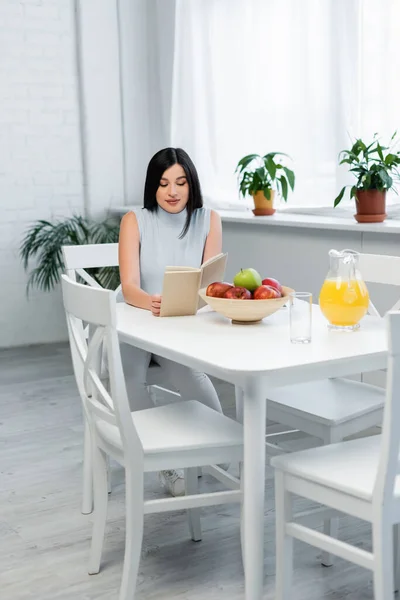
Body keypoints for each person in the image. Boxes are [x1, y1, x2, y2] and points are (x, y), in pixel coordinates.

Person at [118, 147, 224, 497]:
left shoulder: (209, 219)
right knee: (129, 379)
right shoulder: (135, 219)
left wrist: (187, 305)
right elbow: (130, 284)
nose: (173, 191)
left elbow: (209, 280)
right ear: (153, 187)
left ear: (191, 183)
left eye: (180, 182)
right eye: (163, 184)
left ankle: (216, 449)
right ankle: (166, 467)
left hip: (180, 319)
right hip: (135, 315)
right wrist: (152, 303)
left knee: (190, 375)